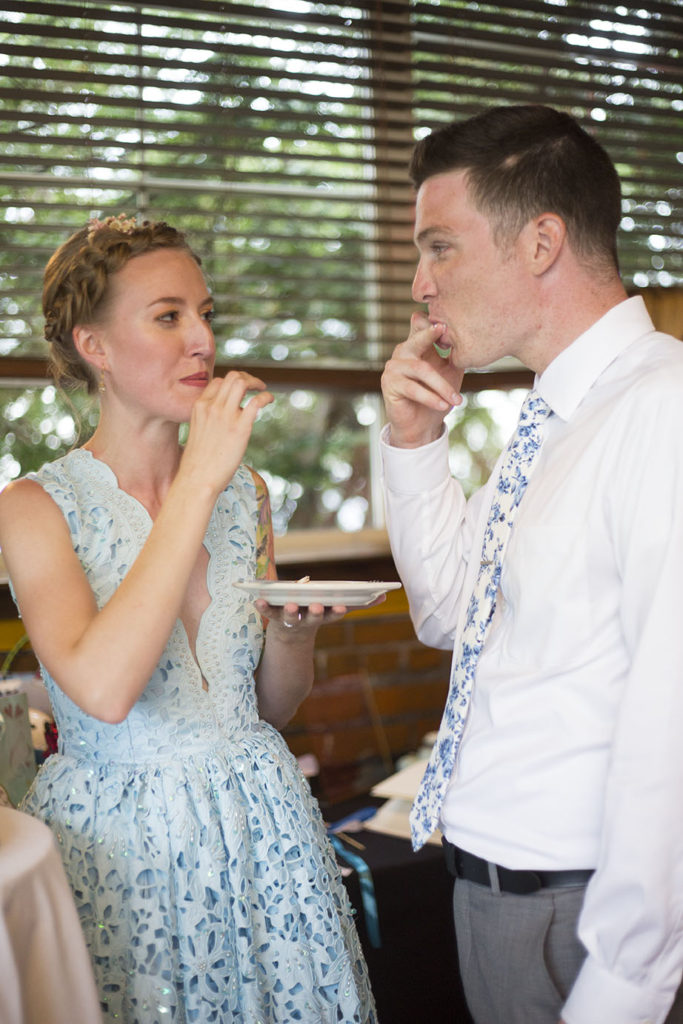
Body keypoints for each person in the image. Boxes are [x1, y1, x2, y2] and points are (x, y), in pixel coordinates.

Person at [0, 214, 377, 1024]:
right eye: (168, 316)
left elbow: (267, 708)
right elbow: (102, 690)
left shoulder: (250, 494)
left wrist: (292, 632)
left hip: (265, 832)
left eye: (205, 314)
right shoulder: (33, 509)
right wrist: (199, 481)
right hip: (123, 853)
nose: (201, 340)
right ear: (93, 346)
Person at [379, 104, 683, 1024]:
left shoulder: (661, 412)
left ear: (541, 240)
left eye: (441, 248)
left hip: (582, 920)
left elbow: (669, 724)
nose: (421, 284)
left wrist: (623, 987)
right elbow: (446, 616)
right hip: (491, 890)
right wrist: (414, 441)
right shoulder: (547, 421)